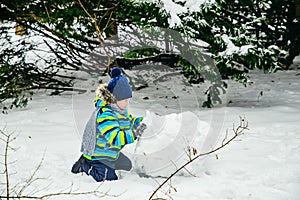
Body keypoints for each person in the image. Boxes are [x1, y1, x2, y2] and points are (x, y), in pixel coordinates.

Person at [71, 67, 147, 182]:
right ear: (115, 99)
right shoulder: (105, 114)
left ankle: (109, 164)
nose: (127, 103)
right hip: (97, 155)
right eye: (125, 100)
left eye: (128, 100)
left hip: (110, 153)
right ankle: (85, 165)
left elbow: (130, 121)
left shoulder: (121, 111)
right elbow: (115, 138)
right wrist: (134, 134)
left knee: (127, 166)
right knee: (107, 178)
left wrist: (140, 122)